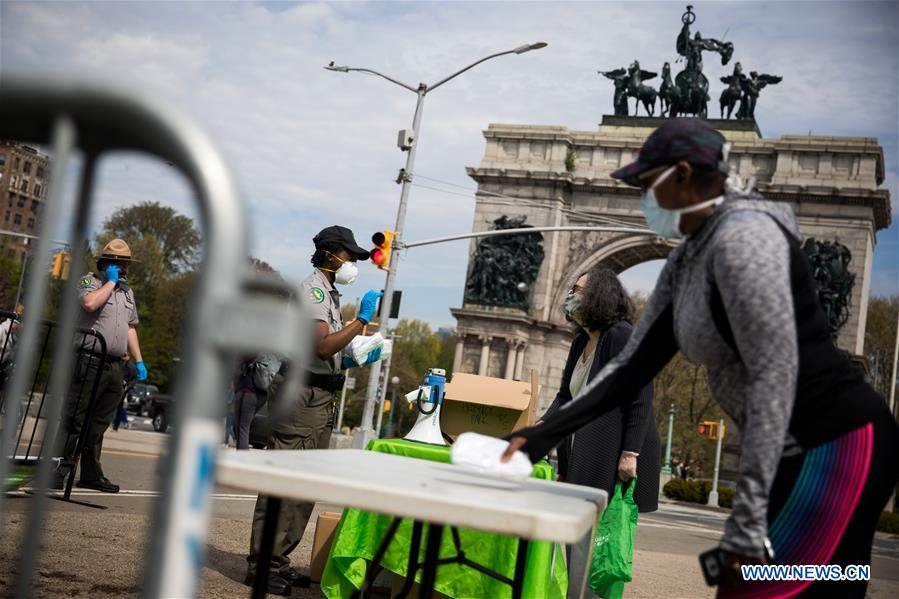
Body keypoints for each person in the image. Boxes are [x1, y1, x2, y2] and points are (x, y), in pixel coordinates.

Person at [503, 118, 899, 598]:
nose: (643, 197)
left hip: (836, 444)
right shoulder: (686, 260)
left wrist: (748, 520)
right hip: (792, 450)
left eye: (648, 184)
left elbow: (773, 379)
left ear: (684, 174)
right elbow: (628, 370)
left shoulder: (748, 241)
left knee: (772, 587)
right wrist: (539, 438)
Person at [245, 225, 383, 595]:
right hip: (301, 397)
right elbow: (320, 348)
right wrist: (361, 322)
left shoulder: (330, 295)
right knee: (283, 484)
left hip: (320, 397)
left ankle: (279, 560)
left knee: (304, 488)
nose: (354, 262)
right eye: (350, 256)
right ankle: (262, 565)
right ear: (331, 254)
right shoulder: (314, 291)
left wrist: (350, 360)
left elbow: (325, 354)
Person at [544, 267, 659, 599]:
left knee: (600, 542)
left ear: (598, 297)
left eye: (578, 291)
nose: (570, 297)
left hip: (615, 450)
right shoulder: (581, 340)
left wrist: (630, 453)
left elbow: (640, 397)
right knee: (581, 535)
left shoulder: (621, 336)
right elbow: (566, 395)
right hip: (587, 446)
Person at [54, 239, 148, 493]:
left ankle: (91, 473)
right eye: (120, 263)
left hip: (114, 366)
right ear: (106, 263)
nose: (125, 268)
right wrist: (110, 282)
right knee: (75, 419)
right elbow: (90, 304)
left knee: (99, 423)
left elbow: (130, 328)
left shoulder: (127, 292)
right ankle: (57, 471)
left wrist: (138, 360)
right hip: (88, 361)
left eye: (126, 264)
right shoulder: (89, 282)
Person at [112, 353, 137, 431]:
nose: (124, 357)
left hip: (124, 391)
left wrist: (128, 387)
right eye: (123, 355)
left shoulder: (131, 367)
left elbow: (134, 379)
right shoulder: (116, 363)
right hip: (114, 387)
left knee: (120, 408)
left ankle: (116, 425)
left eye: (126, 355)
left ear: (129, 357)